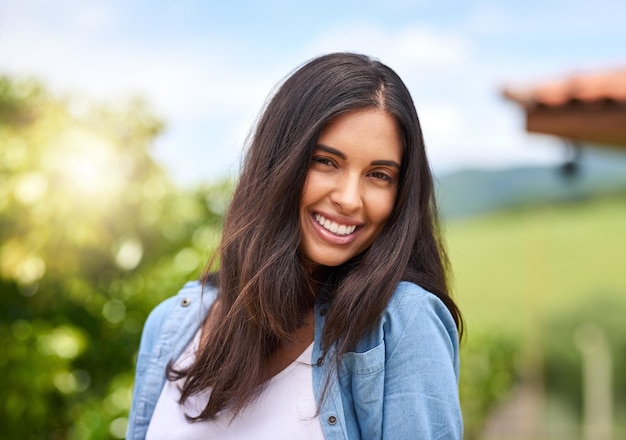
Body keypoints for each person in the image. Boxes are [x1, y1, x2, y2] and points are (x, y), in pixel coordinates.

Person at [127, 52, 464, 439]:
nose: (350, 199)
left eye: (379, 174)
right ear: (278, 163)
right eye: (326, 162)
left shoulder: (403, 325)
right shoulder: (172, 325)